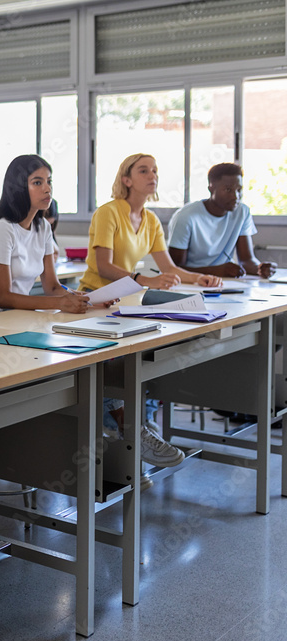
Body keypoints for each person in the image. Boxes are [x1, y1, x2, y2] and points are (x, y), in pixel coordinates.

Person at [79, 153, 221, 470]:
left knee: (149, 357)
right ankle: (130, 430)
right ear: (126, 179)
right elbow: (103, 265)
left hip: (126, 303)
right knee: (114, 367)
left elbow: (169, 267)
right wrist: (144, 279)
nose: (151, 175)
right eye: (143, 170)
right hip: (95, 300)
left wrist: (199, 278)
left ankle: (137, 429)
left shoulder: (151, 219)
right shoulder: (108, 212)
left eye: (155, 170)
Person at [0, 156, 106, 316]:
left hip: (17, 315)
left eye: (49, 181)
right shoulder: (1, 228)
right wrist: (60, 303)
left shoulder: (43, 227)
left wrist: (89, 299)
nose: (47, 189)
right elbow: (3, 297)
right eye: (37, 182)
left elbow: (52, 287)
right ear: (18, 188)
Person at [168, 163, 276, 279]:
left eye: (239, 190)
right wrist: (215, 271)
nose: (236, 196)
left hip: (223, 281)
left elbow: (247, 260)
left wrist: (261, 268)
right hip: (189, 283)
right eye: (228, 189)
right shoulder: (186, 217)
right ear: (211, 189)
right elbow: (173, 269)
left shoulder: (242, 212)